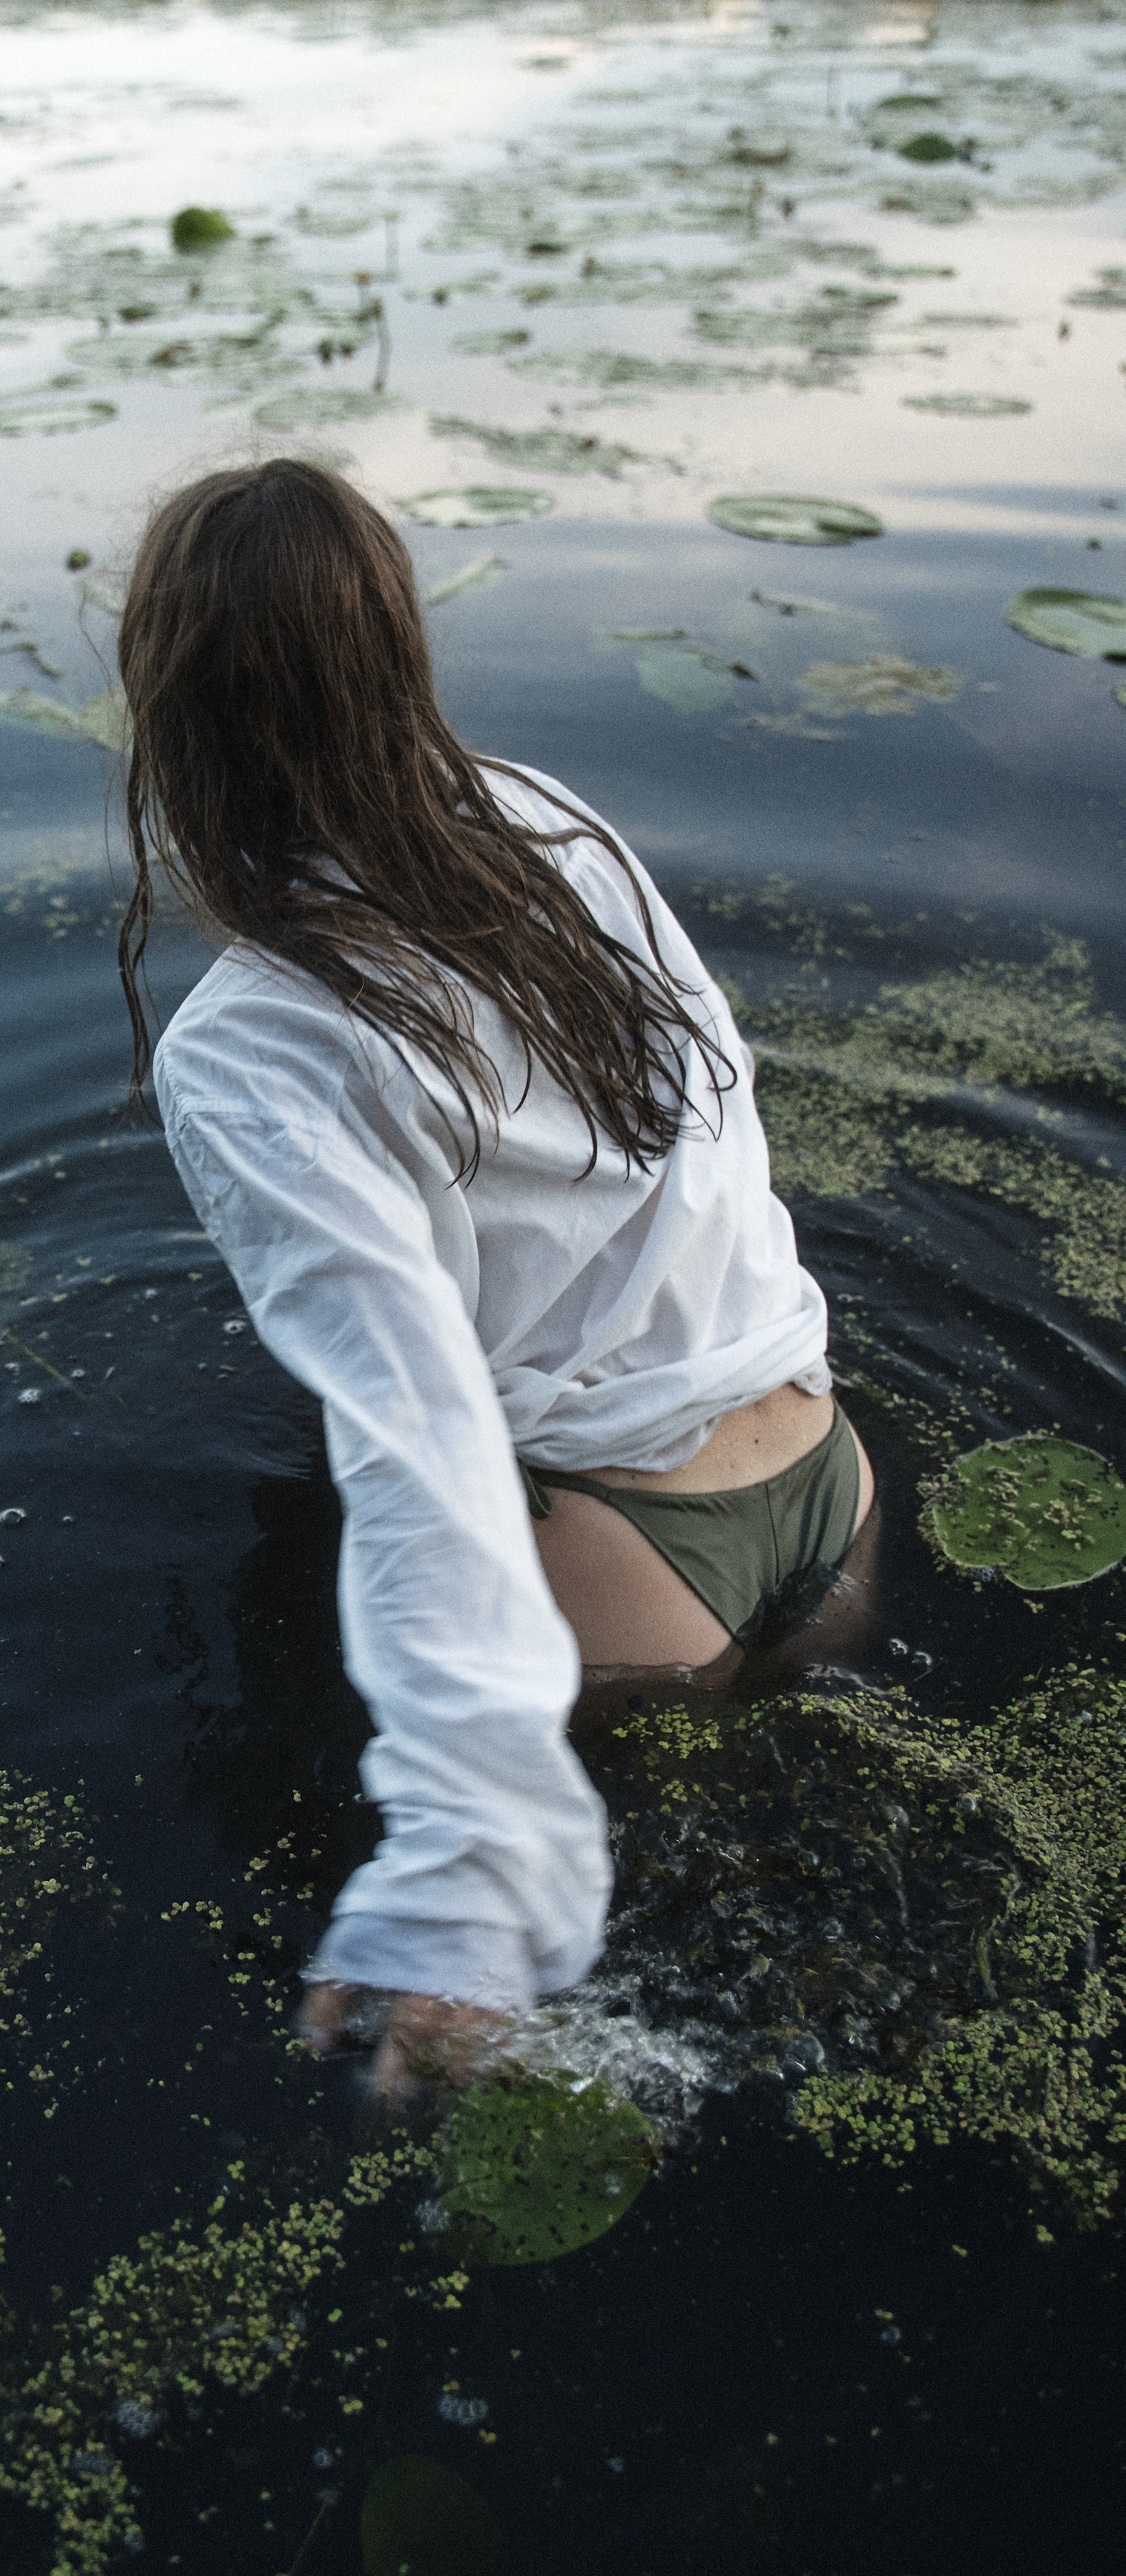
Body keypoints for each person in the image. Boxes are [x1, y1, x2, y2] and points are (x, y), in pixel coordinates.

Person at [115, 460, 876, 2103]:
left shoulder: (248, 1041)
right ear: (400, 646)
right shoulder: (548, 827)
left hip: (630, 1577)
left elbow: (416, 1427)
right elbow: (715, 1134)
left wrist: (459, 1853)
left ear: (168, 713)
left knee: (595, 2036)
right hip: (828, 1475)